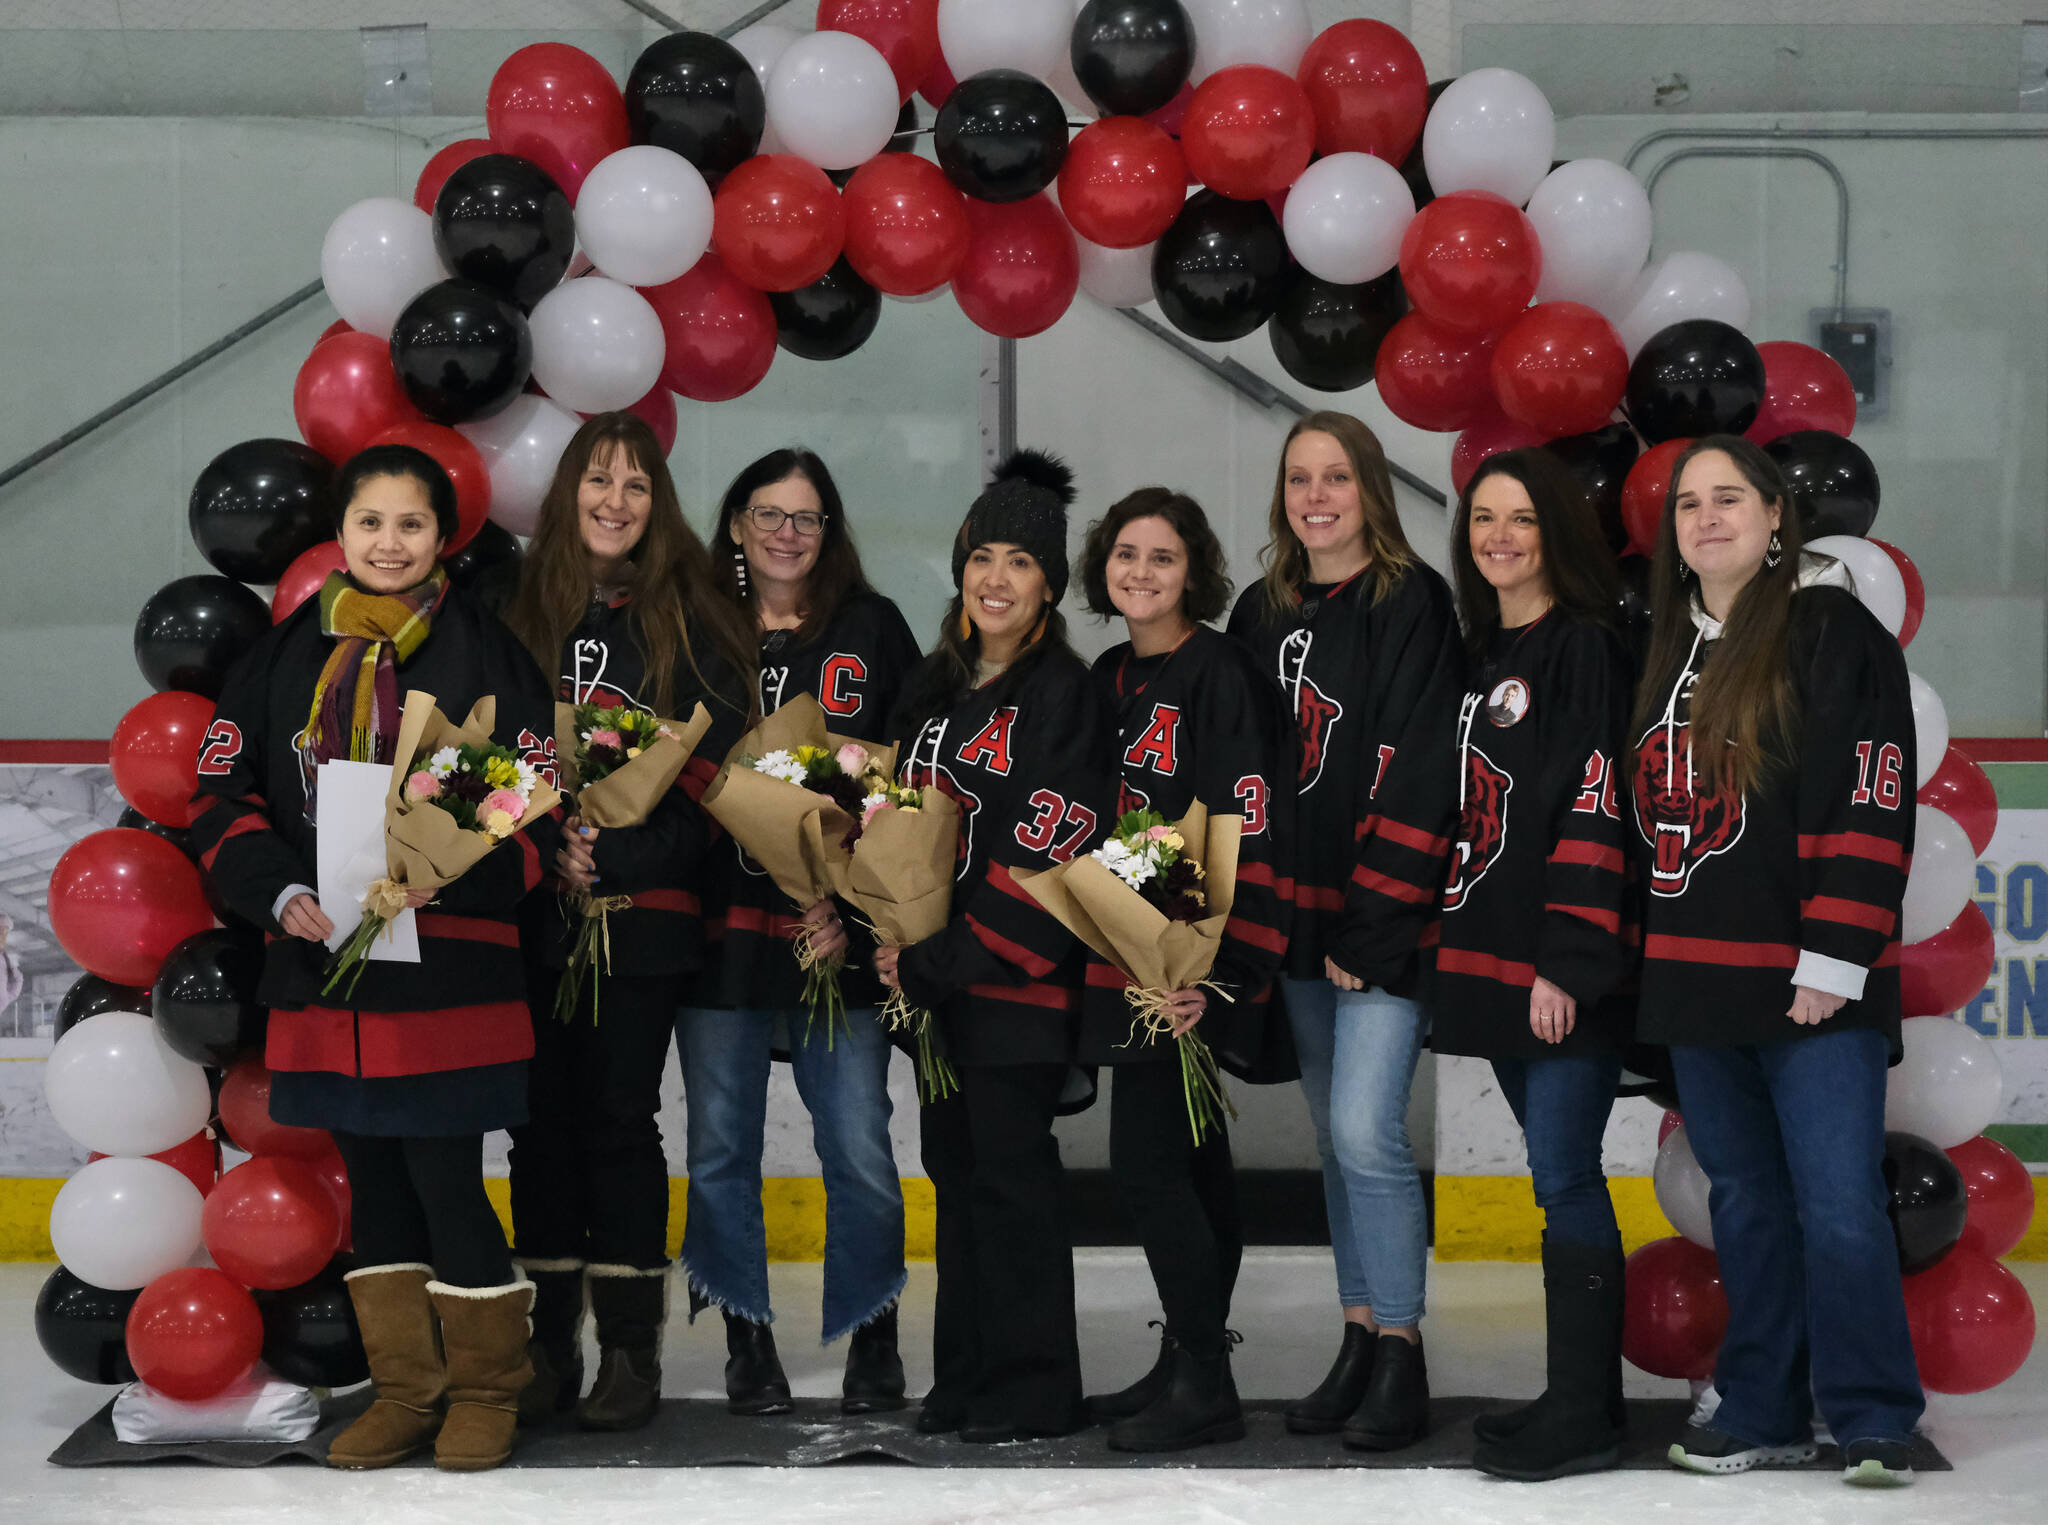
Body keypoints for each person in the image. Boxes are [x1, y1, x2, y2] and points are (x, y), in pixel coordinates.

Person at [189, 444, 558, 1472]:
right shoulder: (279, 659)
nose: (388, 543)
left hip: (446, 970)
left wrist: (453, 872)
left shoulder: (487, 654)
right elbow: (222, 795)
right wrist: (279, 890)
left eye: (410, 525)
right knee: (375, 1185)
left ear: (445, 540)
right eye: (369, 523)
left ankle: (489, 1387)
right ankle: (406, 1390)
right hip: (322, 974)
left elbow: (527, 799)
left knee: (445, 1177)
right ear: (338, 537)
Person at [1629, 436, 1921, 1487]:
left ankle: (1873, 1412)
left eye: (1727, 499)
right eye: (1687, 505)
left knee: (1836, 1201)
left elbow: (1871, 793)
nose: (1705, 518)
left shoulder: (1828, 627)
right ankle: (1762, 1404)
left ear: (1771, 518)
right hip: (1696, 981)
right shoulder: (1666, 644)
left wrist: (1835, 957)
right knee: (1744, 1200)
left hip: (1808, 985)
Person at [500, 412, 756, 1430]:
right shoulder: (518, 612)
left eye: (636, 485)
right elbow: (486, 751)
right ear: (566, 494)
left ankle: (628, 1354)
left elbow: (713, 783)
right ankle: (546, 1345)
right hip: (534, 913)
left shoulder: (693, 621)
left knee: (617, 1121)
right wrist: (543, 843)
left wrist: (615, 851)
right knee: (536, 1127)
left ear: (660, 504)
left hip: (644, 921)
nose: (614, 501)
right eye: (597, 481)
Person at [1225, 411, 1463, 1451]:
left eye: (1333, 476)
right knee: (1332, 1138)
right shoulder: (1257, 608)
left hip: (1381, 924)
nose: (1313, 495)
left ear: (1369, 485)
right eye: (1295, 479)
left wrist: (1372, 925)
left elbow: (1421, 764)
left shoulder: (1411, 601)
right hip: (1293, 921)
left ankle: (1402, 1346)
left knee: (1368, 1132)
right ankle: (1359, 1332)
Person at [873, 450, 1117, 1444]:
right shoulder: (929, 684)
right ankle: (964, 1374)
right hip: (932, 988)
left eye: (1020, 561)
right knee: (957, 1175)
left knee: (1013, 1181)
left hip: (1007, 983)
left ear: (1049, 585)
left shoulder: (1063, 692)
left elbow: (1056, 840)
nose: (997, 578)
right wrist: (887, 933)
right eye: (982, 555)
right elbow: (887, 819)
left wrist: (950, 954)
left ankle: (1032, 1384)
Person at [675, 448, 922, 1416]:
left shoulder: (872, 628)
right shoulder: (692, 629)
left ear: (831, 529)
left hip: (838, 934)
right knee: (718, 1143)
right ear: (735, 522)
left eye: (807, 517)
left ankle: (874, 1328)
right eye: (768, 513)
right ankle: (746, 1335)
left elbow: (906, 790)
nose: (787, 531)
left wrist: (855, 915)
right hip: (719, 929)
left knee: (858, 1137)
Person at [1428, 449, 1635, 1481]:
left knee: (1563, 1178)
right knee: (1553, 1176)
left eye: (1519, 518)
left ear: (1557, 530)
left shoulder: (1582, 648)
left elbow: (1593, 800)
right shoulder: (1481, 649)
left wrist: (1567, 960)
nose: (1498, 536)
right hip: (1493, 958)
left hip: (1558, 971)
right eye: (1481, 520)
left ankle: (1584, 1415)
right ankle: (1575, 1398)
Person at [1071, 488, 1291, 1452]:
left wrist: (1222, 971)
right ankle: (1188, 1359)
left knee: (1152, 1165)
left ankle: (1206, 1376)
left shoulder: (1222, 673)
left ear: (1193, 570)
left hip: (1187, 969)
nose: (1142, 573)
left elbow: (1246, 820)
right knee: (1193, 1168)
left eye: (1163, 557)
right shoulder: (1109, 672)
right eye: (1127, 554)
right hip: (1128, 958)